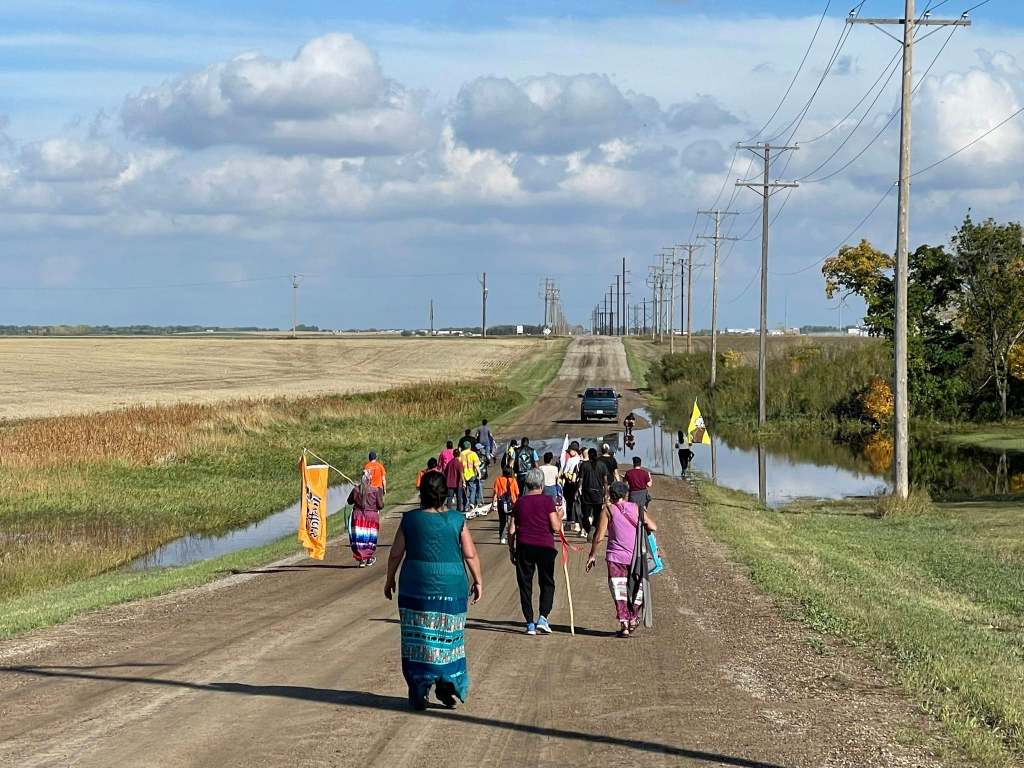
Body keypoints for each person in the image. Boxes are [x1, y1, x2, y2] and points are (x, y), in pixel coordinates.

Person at [385, 471, 483, 710]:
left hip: (415, 587)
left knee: (418, 638)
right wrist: (478, 580)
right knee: (449, 638)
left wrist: (389, 579)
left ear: (422, 493)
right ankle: (447, 681)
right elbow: (470, 554)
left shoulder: (410, 520)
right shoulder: (457, 519)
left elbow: (396, 553)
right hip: (452, 587)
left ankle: (420, 686)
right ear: (445, 493)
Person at [585, 481, 658, 637]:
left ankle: (624, 623)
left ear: (611, 494)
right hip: (635, 557)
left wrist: (592, 555)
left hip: (615, 558)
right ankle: (633, 618)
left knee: (619, 590)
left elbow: (599, 536)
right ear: (626, 494)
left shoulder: (608, 510)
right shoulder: (637, 508)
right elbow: (653, 527)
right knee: (638, 588)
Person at [507, 469, 561, 635]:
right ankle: (543, 618)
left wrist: (511, 550)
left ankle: (530, 623)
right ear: (542, 484)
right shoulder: (547, 501)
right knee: (547, 582)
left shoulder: (520, 502)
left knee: (525, 585)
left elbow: (511, 530)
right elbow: (556, 527)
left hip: (524, 546)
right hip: (545, 547)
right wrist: (559, 515)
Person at [348, 469, 385, 567]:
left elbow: (349, 501)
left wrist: (356, 491)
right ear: (370, 479)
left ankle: (362, 560)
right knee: (369, 538)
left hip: (358, 516)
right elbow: (380, 505)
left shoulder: (356, 490)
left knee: (359, 538)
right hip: (371, 516)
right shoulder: (376, 490)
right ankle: (368, 558)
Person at [577, 447, 611, 539]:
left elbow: (580, 480)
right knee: (597, 515)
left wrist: (577, 490)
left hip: (586, 493)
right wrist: (606, 493)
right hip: (598, 493)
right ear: (596, 455)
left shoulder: (584, 465)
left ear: (588, 455)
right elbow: (605, 481)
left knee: (585, 515)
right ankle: (592, 528)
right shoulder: (602, 465)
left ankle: (589, 530)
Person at [491, 465, 520, 544]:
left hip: (501, 504)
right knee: (511, 521)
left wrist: (493, 503)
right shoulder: (513, 480)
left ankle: (502, 538)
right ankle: (511, 536)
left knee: (502, 521)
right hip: (512, 503)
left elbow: (495, 493)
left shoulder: (498, 480)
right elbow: (517, 493)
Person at [560, 441, 582, 533]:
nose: (569, 452)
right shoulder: (581, 460)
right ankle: (578, 523)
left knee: (569, 504)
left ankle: (569, 523)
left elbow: (565, 472)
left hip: (569, 484)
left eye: (570, 451)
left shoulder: (570, 460)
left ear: (574, 451)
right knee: (578, 504)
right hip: (579, 484)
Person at [462, 443, 482, 516]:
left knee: (464, 491)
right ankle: (471, 503)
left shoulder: (461, 454)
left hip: (463, 475)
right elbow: (476, 465)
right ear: (470, 446)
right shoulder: (473, 454)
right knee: (472, 490)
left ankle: (465, 506)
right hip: (471, 474)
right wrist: (479, 473)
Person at [444, 447, 466, 512]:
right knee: (459, 497)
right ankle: (458, 510)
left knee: (449, 498)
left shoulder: (449, 463)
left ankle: (448, 510)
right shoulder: (459, 463)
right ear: (459, 454)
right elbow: (461, 473)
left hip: (450, 483)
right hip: (458, 483)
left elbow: (445, 472)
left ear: (453, 454)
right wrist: (464, 482)